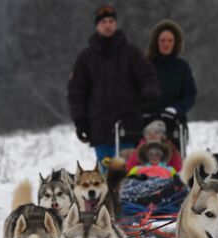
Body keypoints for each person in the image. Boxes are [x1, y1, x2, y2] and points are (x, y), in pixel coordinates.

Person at [68, 5, 160, 167]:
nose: (108, 25)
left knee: (129, 173)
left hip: (129, 125)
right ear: (97, 25)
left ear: (116, 24)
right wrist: (80, 120)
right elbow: (77, 91)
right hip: (100, 126)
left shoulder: (131, 53)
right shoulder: (86, 58)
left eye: (111, 21)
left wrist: (150, 94)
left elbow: (147, 75)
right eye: (103, 21)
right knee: (107, 174)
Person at [147, 20, 197, 120]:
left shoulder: (182, 67)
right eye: (163, 40)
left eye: (170, 41)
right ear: (156, 42)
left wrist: (175, 109)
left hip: (174, 120)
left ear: (175, 43)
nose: (166, 44)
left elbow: (190, 94)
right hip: (146, 118)